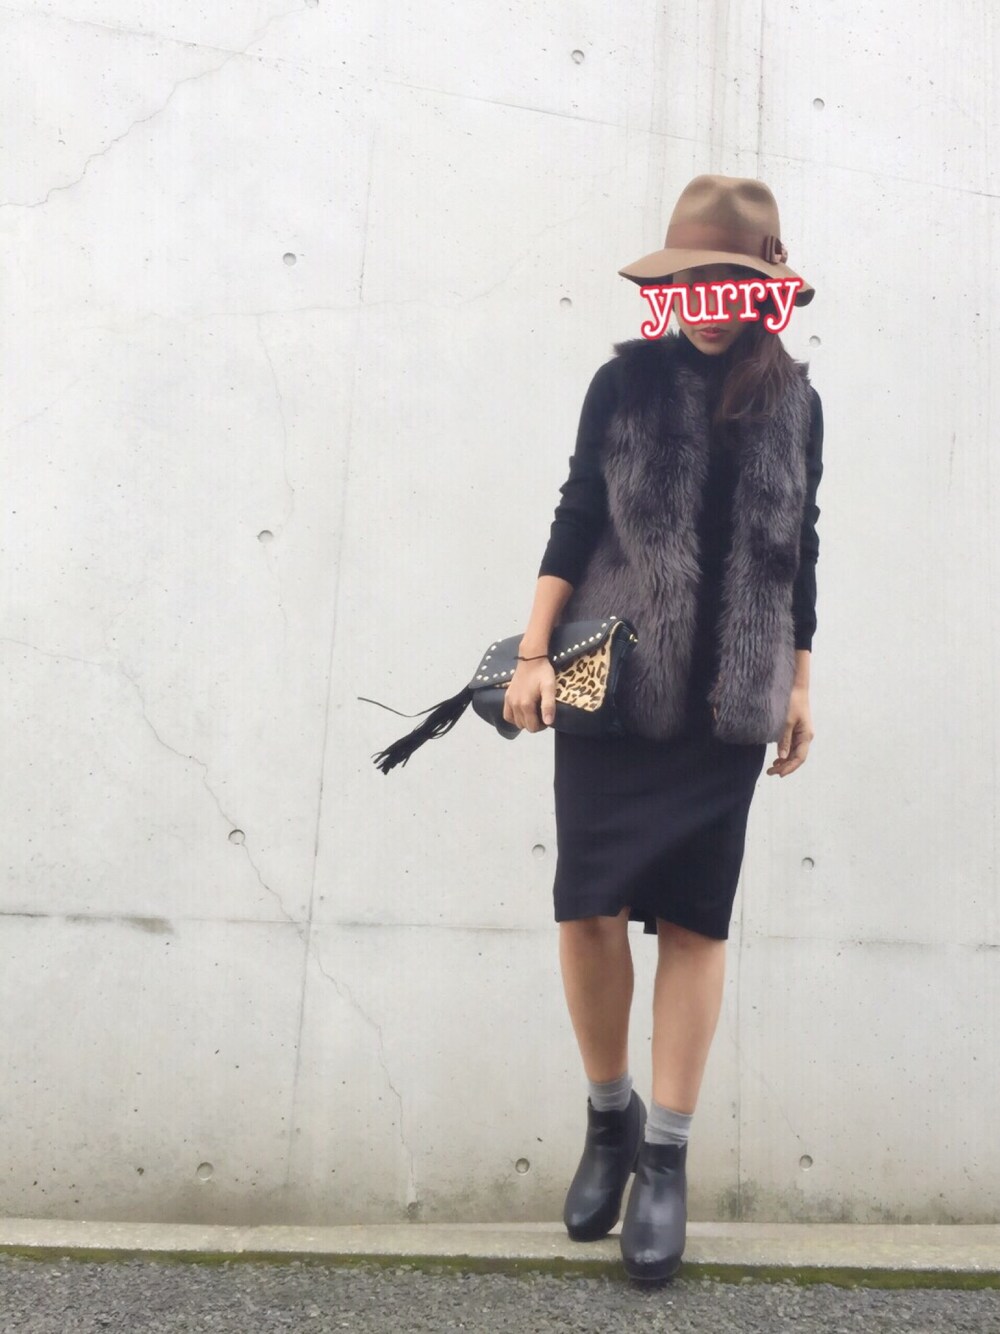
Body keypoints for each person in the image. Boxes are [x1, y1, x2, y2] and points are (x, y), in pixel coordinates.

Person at [502, 175, 824, 1283]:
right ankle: (610, 1119)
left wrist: (798, 683)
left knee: (694, 919)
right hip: (614, 686)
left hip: (727, 700)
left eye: (731, 278)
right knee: (586, 904)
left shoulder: (796, 404)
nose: (710, 300)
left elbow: (799, 548)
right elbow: (575, 514)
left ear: (763, 287)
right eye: (693, 277)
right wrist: (531, 653)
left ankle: (667, 1159)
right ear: (672, 283)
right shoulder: (623, 382)